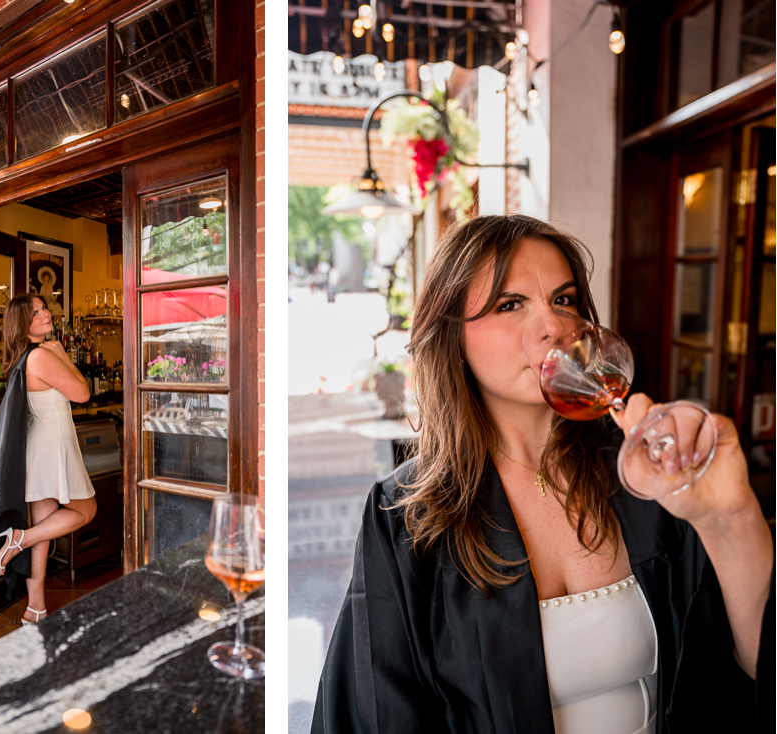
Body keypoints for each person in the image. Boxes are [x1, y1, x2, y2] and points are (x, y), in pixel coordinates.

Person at [311, 215, 774, 734]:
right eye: (510, 304)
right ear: (451, 335)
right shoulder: (402, 517)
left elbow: (750, 674)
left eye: (564, 299)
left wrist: (730, 516)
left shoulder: (648, 476)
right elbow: (374, 713)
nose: (552, 325)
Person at [0, 293, 97, 625]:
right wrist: (63, 355)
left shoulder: (24, 358)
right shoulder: (42, 356)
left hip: (40, 446)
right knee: (86, 510)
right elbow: (83, 393)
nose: (45, 313)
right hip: (55, 445)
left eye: (44, 307)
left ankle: (35, 609)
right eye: (36, 312)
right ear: (23, 325)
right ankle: (21, 539)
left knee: (44, 532)